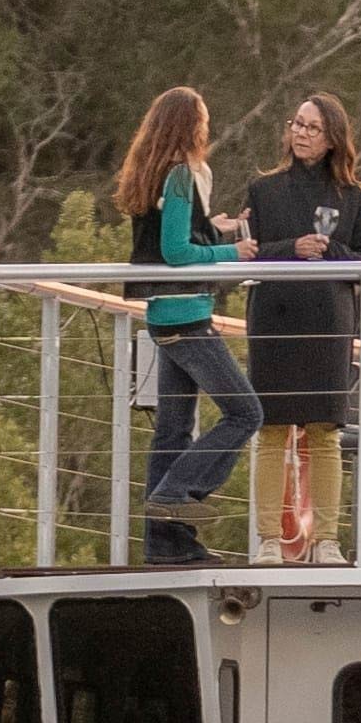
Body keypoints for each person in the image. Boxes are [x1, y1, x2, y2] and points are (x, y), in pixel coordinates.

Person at [231, 91, 361, 566]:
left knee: (325, 430)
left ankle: (328, 540)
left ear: (333, 137)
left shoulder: (352, 195)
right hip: (274, 316)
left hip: (329, 320)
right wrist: (291, 247)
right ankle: (269, 539)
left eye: (312, 127)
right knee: (272, 429)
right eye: (296, 124)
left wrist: (330, 253)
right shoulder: (264, 189)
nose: (301, 133)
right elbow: (253, 252)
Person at [112, 84, 250, 562]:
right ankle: (177, 496)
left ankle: (165, 545)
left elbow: (172, 234)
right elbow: (176, 253)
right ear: (191, 126)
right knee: (245, 412)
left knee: (173, 431)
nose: (207, 131)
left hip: (164, 316)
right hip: (185, 315)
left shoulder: (158, 175)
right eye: (204, 122)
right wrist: (231, 252)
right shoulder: (179, 176)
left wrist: (217, 228)